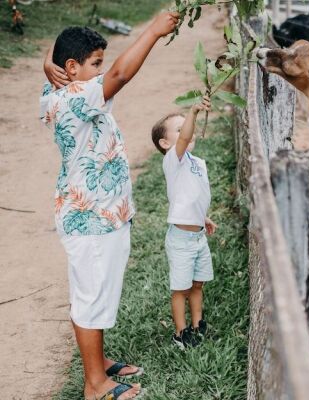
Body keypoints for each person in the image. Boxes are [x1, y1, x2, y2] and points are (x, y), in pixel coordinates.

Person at [39, 12, 179, 400]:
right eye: (95, 64)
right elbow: (120, 75)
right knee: (90, 299)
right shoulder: (75, 97)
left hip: (97, 214)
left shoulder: (53, 92)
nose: (102, 72)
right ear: (71, 67)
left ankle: (97, 365)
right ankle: (95, 384)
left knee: (96, 293)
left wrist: (44, 64)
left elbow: (80, 71)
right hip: (92, 220)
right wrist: (152, 30)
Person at [150, 96, 216, 349]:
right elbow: (186, 138)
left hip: (198, 237)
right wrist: (193, 111)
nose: (187, 132)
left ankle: (198, 324)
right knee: (181, 288)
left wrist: (203, 217)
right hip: (180, 241)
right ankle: (180, 332)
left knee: (198, 284)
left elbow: (193, 196)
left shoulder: (197, 163)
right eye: (179, 129)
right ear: (165, 143)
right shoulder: (173, 161)